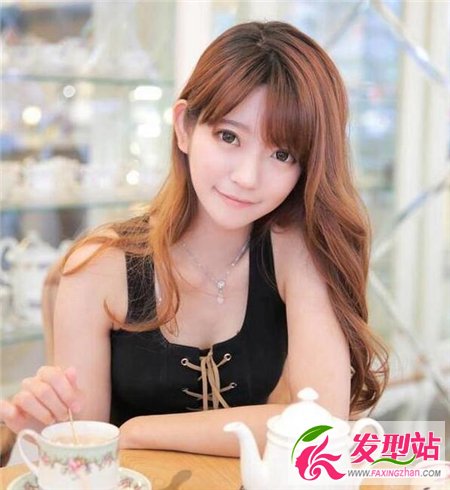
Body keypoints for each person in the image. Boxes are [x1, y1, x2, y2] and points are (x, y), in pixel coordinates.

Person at [0, 21, 388, 457]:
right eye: (229, 137)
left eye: (281, 154)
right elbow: (84, 451)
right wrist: (44, 428)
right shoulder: (98, 268)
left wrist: (137, 432)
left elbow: (321, 424)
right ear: (184, 126)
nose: (247, 177)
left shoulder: (295, 251)